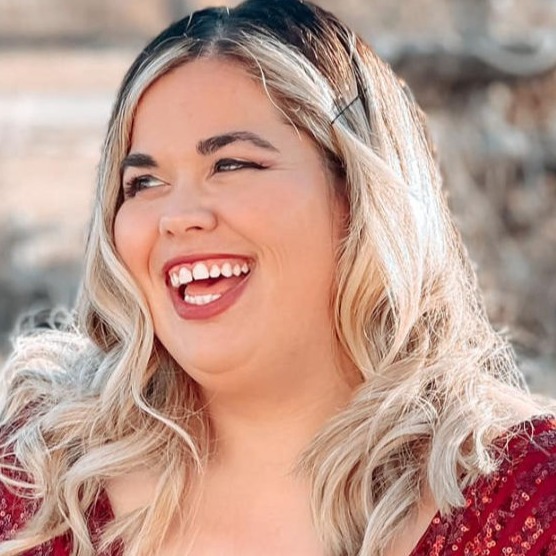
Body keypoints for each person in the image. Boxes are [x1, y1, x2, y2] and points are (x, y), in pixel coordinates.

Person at [1, 0, 555, 554]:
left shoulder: (523, 502)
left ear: (359, 194)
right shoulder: (37, 484)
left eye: (232, 165)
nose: (176, 215)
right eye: (143, 183)